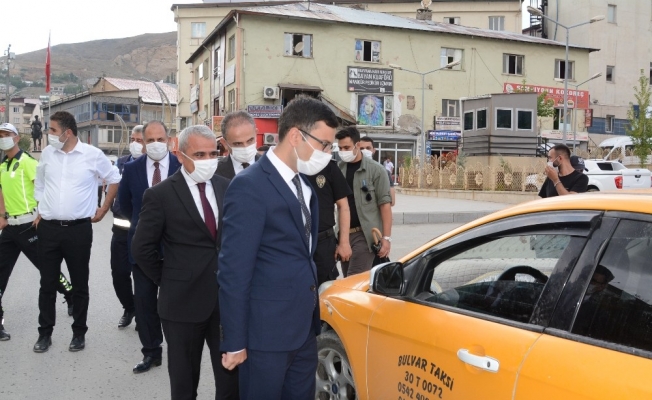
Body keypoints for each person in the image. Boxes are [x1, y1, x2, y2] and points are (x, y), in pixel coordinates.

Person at [218, 97, 337, 399]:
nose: (328, 153)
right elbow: (234, 271)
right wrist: (235, 341)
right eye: (324, 144)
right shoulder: (250, 186)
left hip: (303, 330)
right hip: (265, 336)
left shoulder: (304, 185)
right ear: (296, 135)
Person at [132, 125, 238, 400]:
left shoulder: (227, 187)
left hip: (225, 302)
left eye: (213, 153)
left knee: (231, 382)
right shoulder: (160, 194)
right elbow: (142, 248)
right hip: (181, 304)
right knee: (184, 383)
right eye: (199, 155)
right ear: (180, 155)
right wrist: (169, 279)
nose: (208, 160)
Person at [33, 111, 121, 353]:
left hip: (78, 230)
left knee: (80, 284)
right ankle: (44, 333)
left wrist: (104, 208)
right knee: (47, 284)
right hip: (49, 229)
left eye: (52, 130)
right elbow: (40, 183)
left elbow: (114, 178)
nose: (49, 134)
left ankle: (79, 333)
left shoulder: (92, 155)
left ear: (67, 132)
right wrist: (40, 208)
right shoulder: (48, 154)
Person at [0, 123, 73, 341]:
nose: (3, 138)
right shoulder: (2, 165)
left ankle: (70, 293)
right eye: (0, 135)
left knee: (47, 269)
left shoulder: (28, 162)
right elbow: (1, 192)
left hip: (29, 225)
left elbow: (44, 188)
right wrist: (2, 215)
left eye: (6, 134)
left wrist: (42, 214)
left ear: (16, 138)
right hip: (10, 228)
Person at [118, 120, 181, 373]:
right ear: (143, 142)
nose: (156, 144)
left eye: (160, 139)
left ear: (169, 140)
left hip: (176, 248)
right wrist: (146, 229)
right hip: (142, 249)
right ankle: (151, 352)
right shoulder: (131, 169)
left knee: (176, 304)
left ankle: (180, 352)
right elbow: (125, 205)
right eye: (151, 140)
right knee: (144, 303)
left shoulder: (181, 166)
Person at [336, 126, 392, 277]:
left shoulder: (376, 170)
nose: (343, 151)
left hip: (365, 235)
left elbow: (385, 206)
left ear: (357, 145)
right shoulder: (338, 169)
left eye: (346, 147)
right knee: (349, 279)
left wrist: (386, 238)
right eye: (340, 148)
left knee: (353, 280)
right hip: (344, 235)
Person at [109, 125, 145, 329]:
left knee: (143, 277)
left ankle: (143, 313)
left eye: (140, 140)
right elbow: (112, 188)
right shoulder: (121, 163)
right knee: (119, 274)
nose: (135, 144)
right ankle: (129, 307)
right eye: (133, 139)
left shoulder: (153, 166)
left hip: (143, 231)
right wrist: (105, 208)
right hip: (121, 230)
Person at [306, 159, 352, 286]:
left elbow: (343, 206)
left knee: (324, 289)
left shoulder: (328, 166)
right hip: (296, 241)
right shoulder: (291, 165)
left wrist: (344, 242)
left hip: (323, 242)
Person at [215, 111, 260, 180]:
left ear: (256, 134)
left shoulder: (272, 166)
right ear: (224, 143)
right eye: (238, 144)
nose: (245, 147)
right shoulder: (215, 172)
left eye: (250, 140)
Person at [359, 136, 395, 207]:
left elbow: (392, 201)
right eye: (362, 148)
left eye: (368, 148)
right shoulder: (353, 170)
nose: (365, 151)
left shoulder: (383, 171)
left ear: (374, 150)